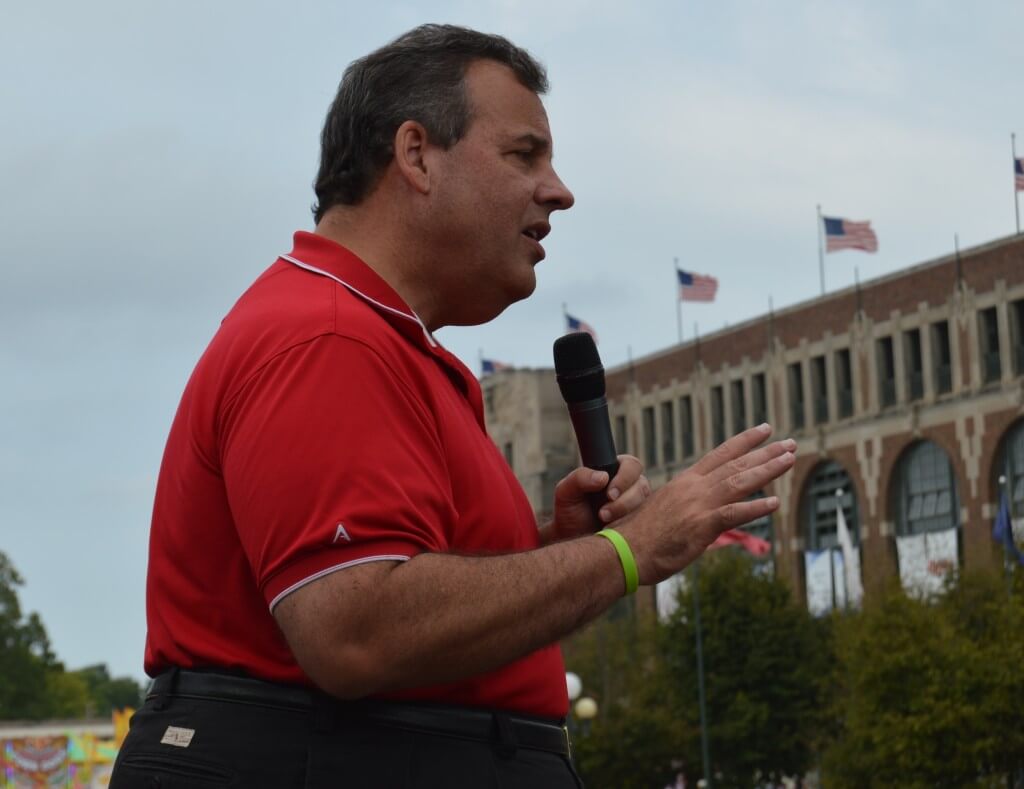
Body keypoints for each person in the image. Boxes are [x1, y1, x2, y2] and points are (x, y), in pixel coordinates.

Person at [111, 23, 796, 788]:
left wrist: (550, 550)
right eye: (523, 154)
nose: (559, 190)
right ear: (416, 155)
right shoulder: (327, 337)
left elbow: (390, 605)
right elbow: (356, 631)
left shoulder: (372, 338)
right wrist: (632, 551)